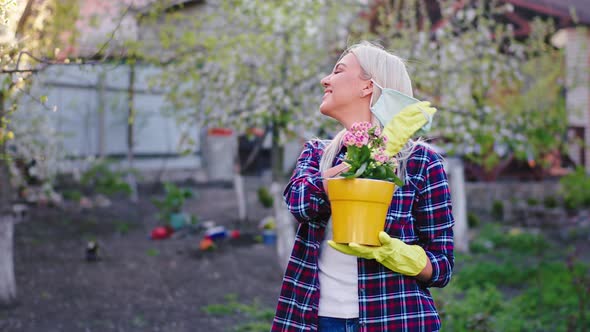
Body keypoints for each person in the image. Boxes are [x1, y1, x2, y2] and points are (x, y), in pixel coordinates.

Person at [271, 41, 454, 332]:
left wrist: (404, 256)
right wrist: (348, 172)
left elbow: (442, 266)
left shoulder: (421, 162)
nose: (325, 79)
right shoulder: (318, 153)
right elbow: (299, 204)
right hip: (316, 319)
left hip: (396, 319)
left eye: (338, 70)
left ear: (367, 86)